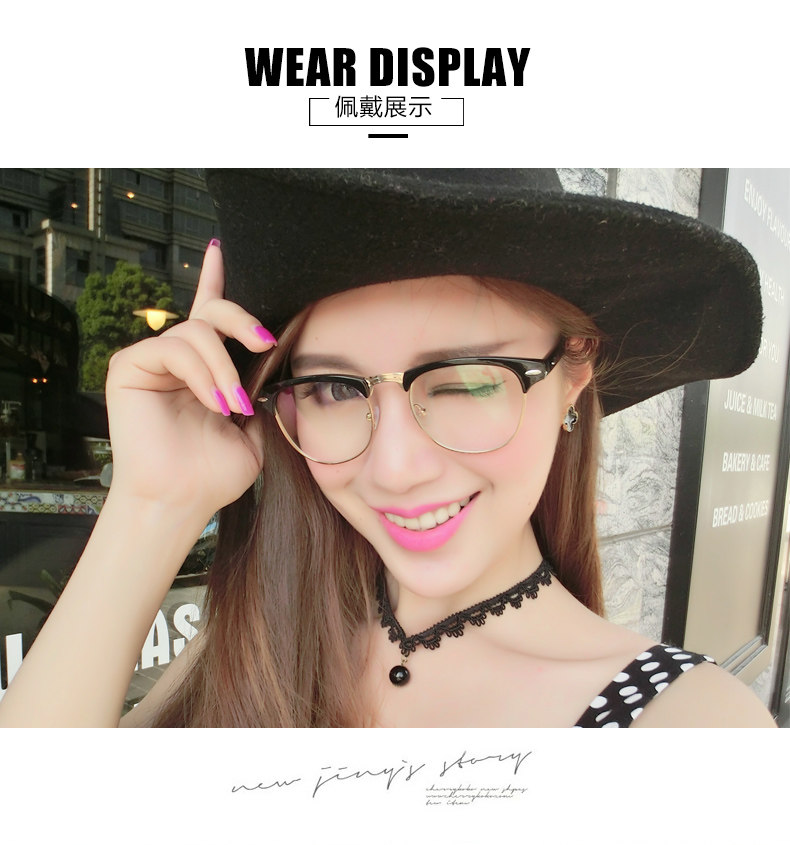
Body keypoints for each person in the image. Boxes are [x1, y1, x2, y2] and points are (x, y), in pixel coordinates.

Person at [0, 169, 776, 728]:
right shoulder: (256, 643)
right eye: (336, 389)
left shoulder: (689, 728)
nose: (397, 467)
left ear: (574, 372)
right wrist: (153, 503)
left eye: (465, 381)